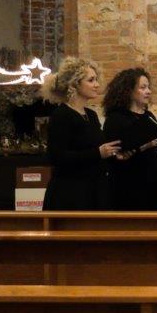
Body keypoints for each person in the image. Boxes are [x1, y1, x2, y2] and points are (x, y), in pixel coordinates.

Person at [41, 57, 120, 210]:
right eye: (91, 80)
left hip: (94, 189)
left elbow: (96, 149)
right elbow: (56, 157)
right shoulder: (61, 115)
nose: (97, 85)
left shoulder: (91, 115)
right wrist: (98, 153)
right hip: (70, 193)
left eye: (96, 80)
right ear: (75, 84)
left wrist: (114, 154)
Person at [101, 67, 157, 211]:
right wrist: (146, 145)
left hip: (153, 181)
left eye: (148, 87)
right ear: (129, 90)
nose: (148, 91)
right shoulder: (117, 118)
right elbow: (116, 154)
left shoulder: (148, 115)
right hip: (129, 183)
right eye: (143, 87)